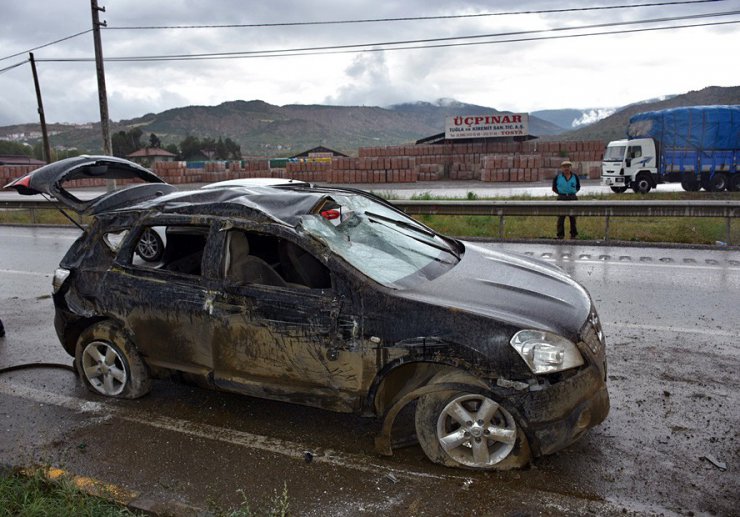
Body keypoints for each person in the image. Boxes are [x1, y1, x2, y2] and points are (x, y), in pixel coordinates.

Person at [551, 160, 581, 239]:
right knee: (561, 218)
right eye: (564, 167)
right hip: (561, 198)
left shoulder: (575, 176)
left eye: (568, 167)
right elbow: (554, 188)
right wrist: (561, 193)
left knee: (573, 218)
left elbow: (578, 187)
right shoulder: (558, 177)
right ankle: (560, 235)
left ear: (570, 167)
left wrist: (571, 193)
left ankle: (573, 235)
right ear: (561, 168)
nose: (566, 168)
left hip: (572, 198)